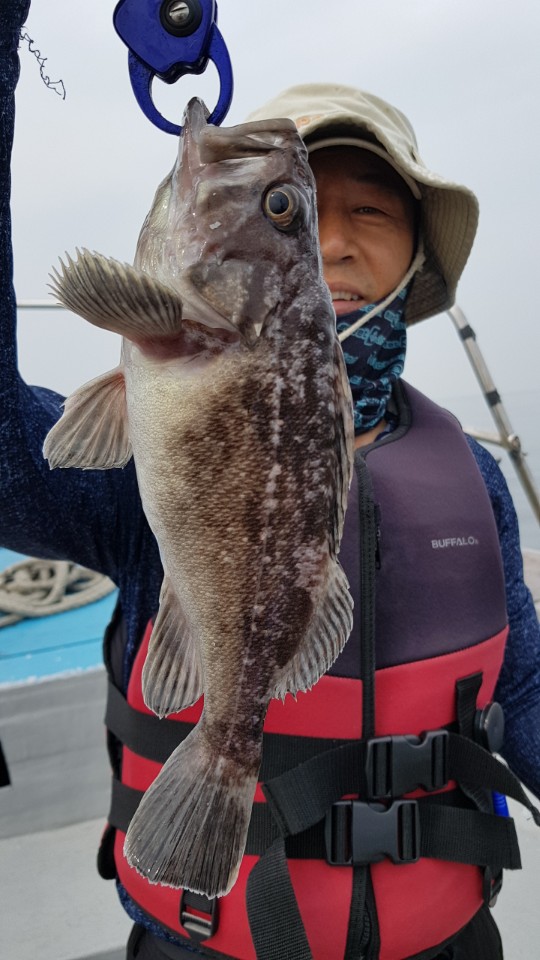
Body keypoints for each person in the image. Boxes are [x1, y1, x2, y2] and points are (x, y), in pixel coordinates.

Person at [2, 4, 539, 959]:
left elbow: (523, 689)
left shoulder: (476, 481)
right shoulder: (139, 461)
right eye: (298, 210)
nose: (331, 241)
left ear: (416, 255)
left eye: (369, 210)